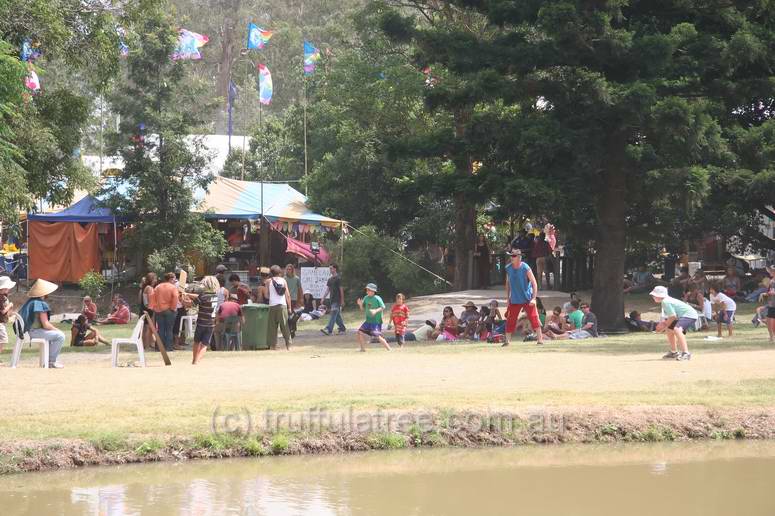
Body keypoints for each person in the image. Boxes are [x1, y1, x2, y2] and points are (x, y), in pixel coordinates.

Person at [19, 279, 65, 368]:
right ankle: (51, 362)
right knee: (60, 336)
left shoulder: (30, 302)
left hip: (27, 332)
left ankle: (47, 360)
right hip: (34, 332)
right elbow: (46, 324)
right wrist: (57, 329)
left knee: (54, 336)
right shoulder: (40, 303)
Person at [503, 248, 543, 346]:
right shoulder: (508, 268)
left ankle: (540, 340)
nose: (511, 258)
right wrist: (508, 299)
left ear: (519, 257)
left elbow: (534, 283)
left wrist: (533, 298)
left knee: (534, 318)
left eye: (514, 256)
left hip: (527, 298)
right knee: (510, 320)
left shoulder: (525, 267)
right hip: (515, 299)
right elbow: (507, 284)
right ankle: (507, 341)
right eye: (511, 256)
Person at [650, 285, 697, 361]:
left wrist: (664, 325)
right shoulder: (666, 301)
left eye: (654, 295)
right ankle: (674, 352)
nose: (653, 297)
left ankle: (686, 353)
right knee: (669, 330)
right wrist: (665, 325)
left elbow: (673, 317)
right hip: (684, 316)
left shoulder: (665, 301)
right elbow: (672, 317)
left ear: (659, 296)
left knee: (677, 329)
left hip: (690, 315)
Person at [186, 275, 219, 364]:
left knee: (196, 342)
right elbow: (198, 297)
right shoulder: (215, 296)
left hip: (201, 322)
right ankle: (197, 360)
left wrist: (183, 298)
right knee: (204, 344)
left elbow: (192, 304)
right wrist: (188, 294)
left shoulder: (203, 295)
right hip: (211, 323)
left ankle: (194, 360)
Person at [356, 283, 391, 351]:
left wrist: (375, 311)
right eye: (367, 290)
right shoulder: (366, 298)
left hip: (376, 321)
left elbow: (383, 307)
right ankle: (362, 349)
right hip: (368, 321)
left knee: (377, 336)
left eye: (368, 290)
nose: (367, 291)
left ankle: (389, 349)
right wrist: (360, 305)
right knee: (359, 332)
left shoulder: (377, 298)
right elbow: (362, 309)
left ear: (373, 291)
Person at [265, 265, 293, 350]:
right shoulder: (283, 281)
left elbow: (266, 295)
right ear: (280, 272)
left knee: (272, 327)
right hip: (282, 306)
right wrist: (289, 307)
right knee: (285, 326)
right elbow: (287, 295)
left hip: (272, 306)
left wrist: (272, 297)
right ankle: (288, 345)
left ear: (271, 273)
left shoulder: (268, 281)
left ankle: (273, 346)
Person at [154, 272, 179, 352]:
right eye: (174, 278)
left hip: (158, 310)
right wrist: (173, 308)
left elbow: (153, 296)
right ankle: (168, 347)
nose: (175, 280)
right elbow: (175, 297)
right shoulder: (173, 287)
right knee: (169, 329)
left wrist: (154, 307)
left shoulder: (158, 287)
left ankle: (159, 347)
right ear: (171, 279)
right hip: (169, 310)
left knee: (160, 329)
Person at [320, 264, 346, 336]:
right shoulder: (330, 279)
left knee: (333, 313)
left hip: (337, 300)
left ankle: (329, 329)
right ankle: (342, 328)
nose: (330, 270)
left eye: (331, 268)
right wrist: (323, 298)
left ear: (335, 269)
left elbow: (341, 290)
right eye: (330, 268)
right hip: (332, 299)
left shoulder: (338, 278)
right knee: (336, 315)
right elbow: (327, 290)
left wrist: (342, 300)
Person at [139, 272, 157, 349]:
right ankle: (147, 346)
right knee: (148, 328)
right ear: (152, 279)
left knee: (145, 328)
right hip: (149, 310)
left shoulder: (144, 287)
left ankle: (145, 345)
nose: (156, 280)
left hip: (144, 309)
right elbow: (149, 302)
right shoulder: (149, 288)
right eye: (155, 278)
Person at [0, 275, 15, 357]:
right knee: (3, 340)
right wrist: (10, 305)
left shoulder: (3, 297)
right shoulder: (1, 298)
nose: (8, 289)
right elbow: (3, 311)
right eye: (7, 288)